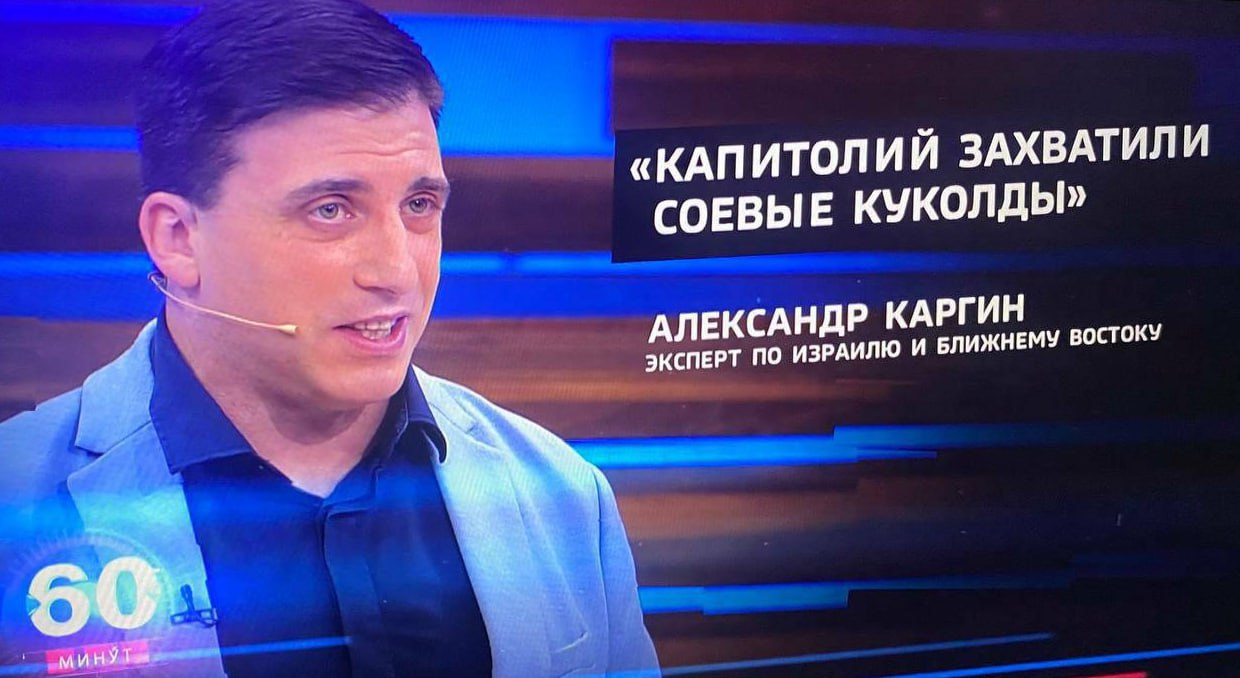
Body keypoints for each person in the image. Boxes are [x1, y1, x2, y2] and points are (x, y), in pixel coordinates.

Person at [0, 1, 659, 676]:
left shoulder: (563, 494)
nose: (396, 271)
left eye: (419, 205)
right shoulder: (15, 496)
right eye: (331, 210)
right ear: (178, 238)